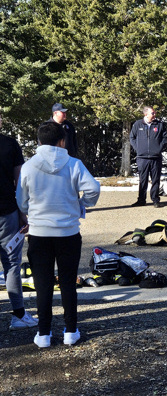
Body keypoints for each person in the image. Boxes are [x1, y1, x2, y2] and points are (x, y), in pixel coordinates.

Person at [16, 121, 100, 348]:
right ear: (62, 141)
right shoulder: (74, 163)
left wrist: (29, 213)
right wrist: (82, 204)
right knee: (67, 283)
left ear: (39, 142)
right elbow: (93, 188)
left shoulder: (29, 166)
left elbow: (21, 200)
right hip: (68, 232)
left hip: (39, 233)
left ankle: (43, 333)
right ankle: (71, 331)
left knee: (42, 284)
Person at [0, 110, 38, 331]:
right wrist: (23, 212)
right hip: (6, 211)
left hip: (8, 210)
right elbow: (19, 182)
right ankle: (18, 315)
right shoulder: (10, 144)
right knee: (12, 264)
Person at [129, 106, 167, 208]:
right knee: (143, 180)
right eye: (152, 113)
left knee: (155, 180)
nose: (155, 115)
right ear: (146, 114)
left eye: (154, 113)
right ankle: (141, 200)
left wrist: (159, 148)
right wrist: (138, 149)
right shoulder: (138, 124)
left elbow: (165, 138)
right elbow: (132, 137)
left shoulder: (159, 125)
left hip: (156, 158)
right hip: (142, 158)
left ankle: (155, 200)